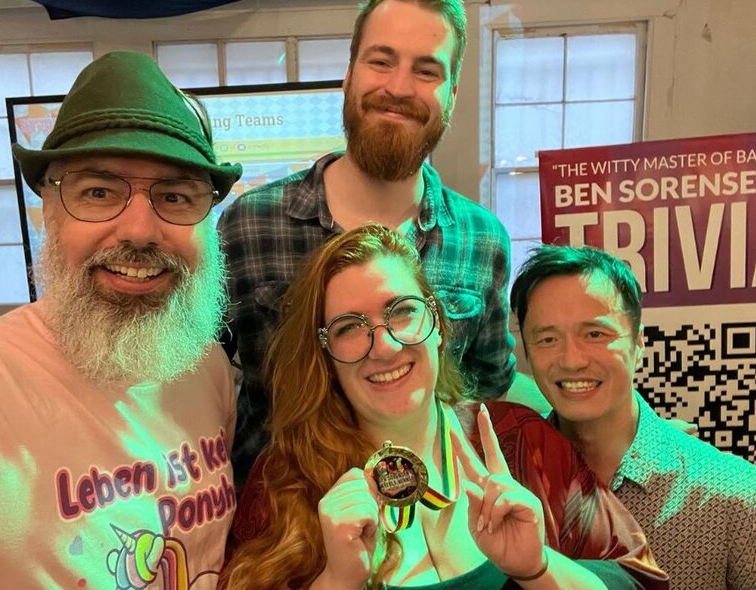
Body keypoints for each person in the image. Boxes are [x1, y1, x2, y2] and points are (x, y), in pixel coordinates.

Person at [0, 51, 243, 589]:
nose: (140, 231)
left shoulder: (204, 364)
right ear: (48, 211)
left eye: (175, 196)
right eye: (98, 192)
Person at [220, 224, 668, 590]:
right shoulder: (285, 479)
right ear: (326, 355)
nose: (385, 346)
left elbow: (636, 579)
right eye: (349, 327)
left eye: (401, 311)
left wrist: (539, 569)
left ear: (436, 323)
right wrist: (336, 583)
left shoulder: (520, 442)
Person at [219, 0, 534, 486]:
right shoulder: (248, 225)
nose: (399, 88)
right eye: (381, 61)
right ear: (349, 75)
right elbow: (201, 381)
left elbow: (488, 392)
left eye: (426, 71)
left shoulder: (481, 240)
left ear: (451, 94)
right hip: (279, 520)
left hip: (435, 521)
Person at [510, 244, 756, 590]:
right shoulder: (504, 484)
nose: (571, 360)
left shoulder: (732, 495)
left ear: (638, 342)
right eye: (548, 339)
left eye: (595, 334)